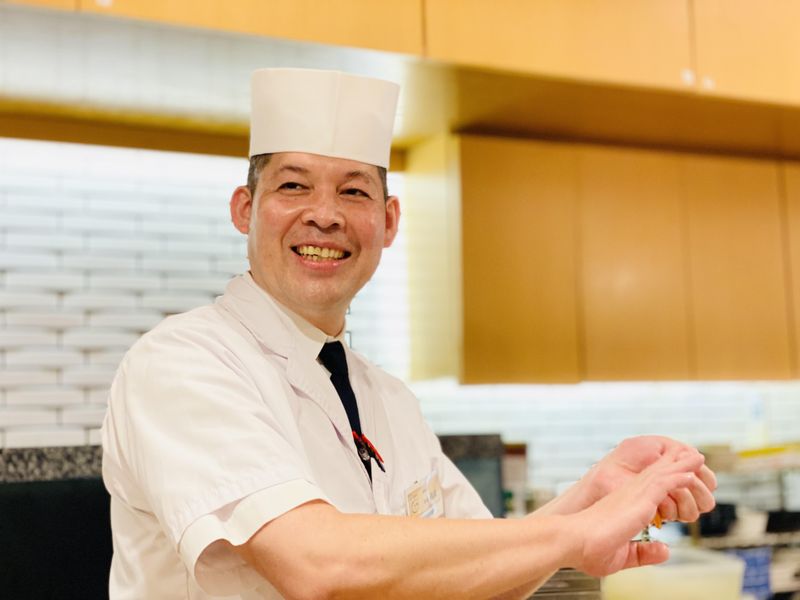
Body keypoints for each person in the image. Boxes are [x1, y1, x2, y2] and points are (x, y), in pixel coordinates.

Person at [101, 68, 717, 600]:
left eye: (354, 191)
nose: (326, 215)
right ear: (244, 208)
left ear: (389, 221)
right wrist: (577, 532)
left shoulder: (388, 399)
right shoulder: (181, 363)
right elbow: (318, 565)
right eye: (293, 185)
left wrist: (590, 496)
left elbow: (482, 570)